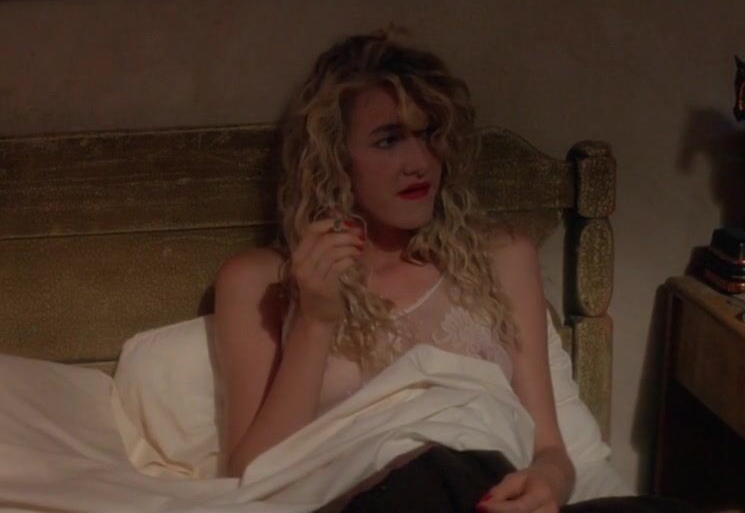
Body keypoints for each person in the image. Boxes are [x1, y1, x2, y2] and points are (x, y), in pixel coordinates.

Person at [211, 30, 693, 513]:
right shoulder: (260, 280)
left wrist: (547, 480)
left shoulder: (500, 256)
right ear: (335, 158)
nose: (419, 163)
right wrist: (316, 321)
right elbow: (252, 476)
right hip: (383, 497)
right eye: (388, 140)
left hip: (490, 490)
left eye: (429, 134)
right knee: (434, 472)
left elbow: (549, 446)